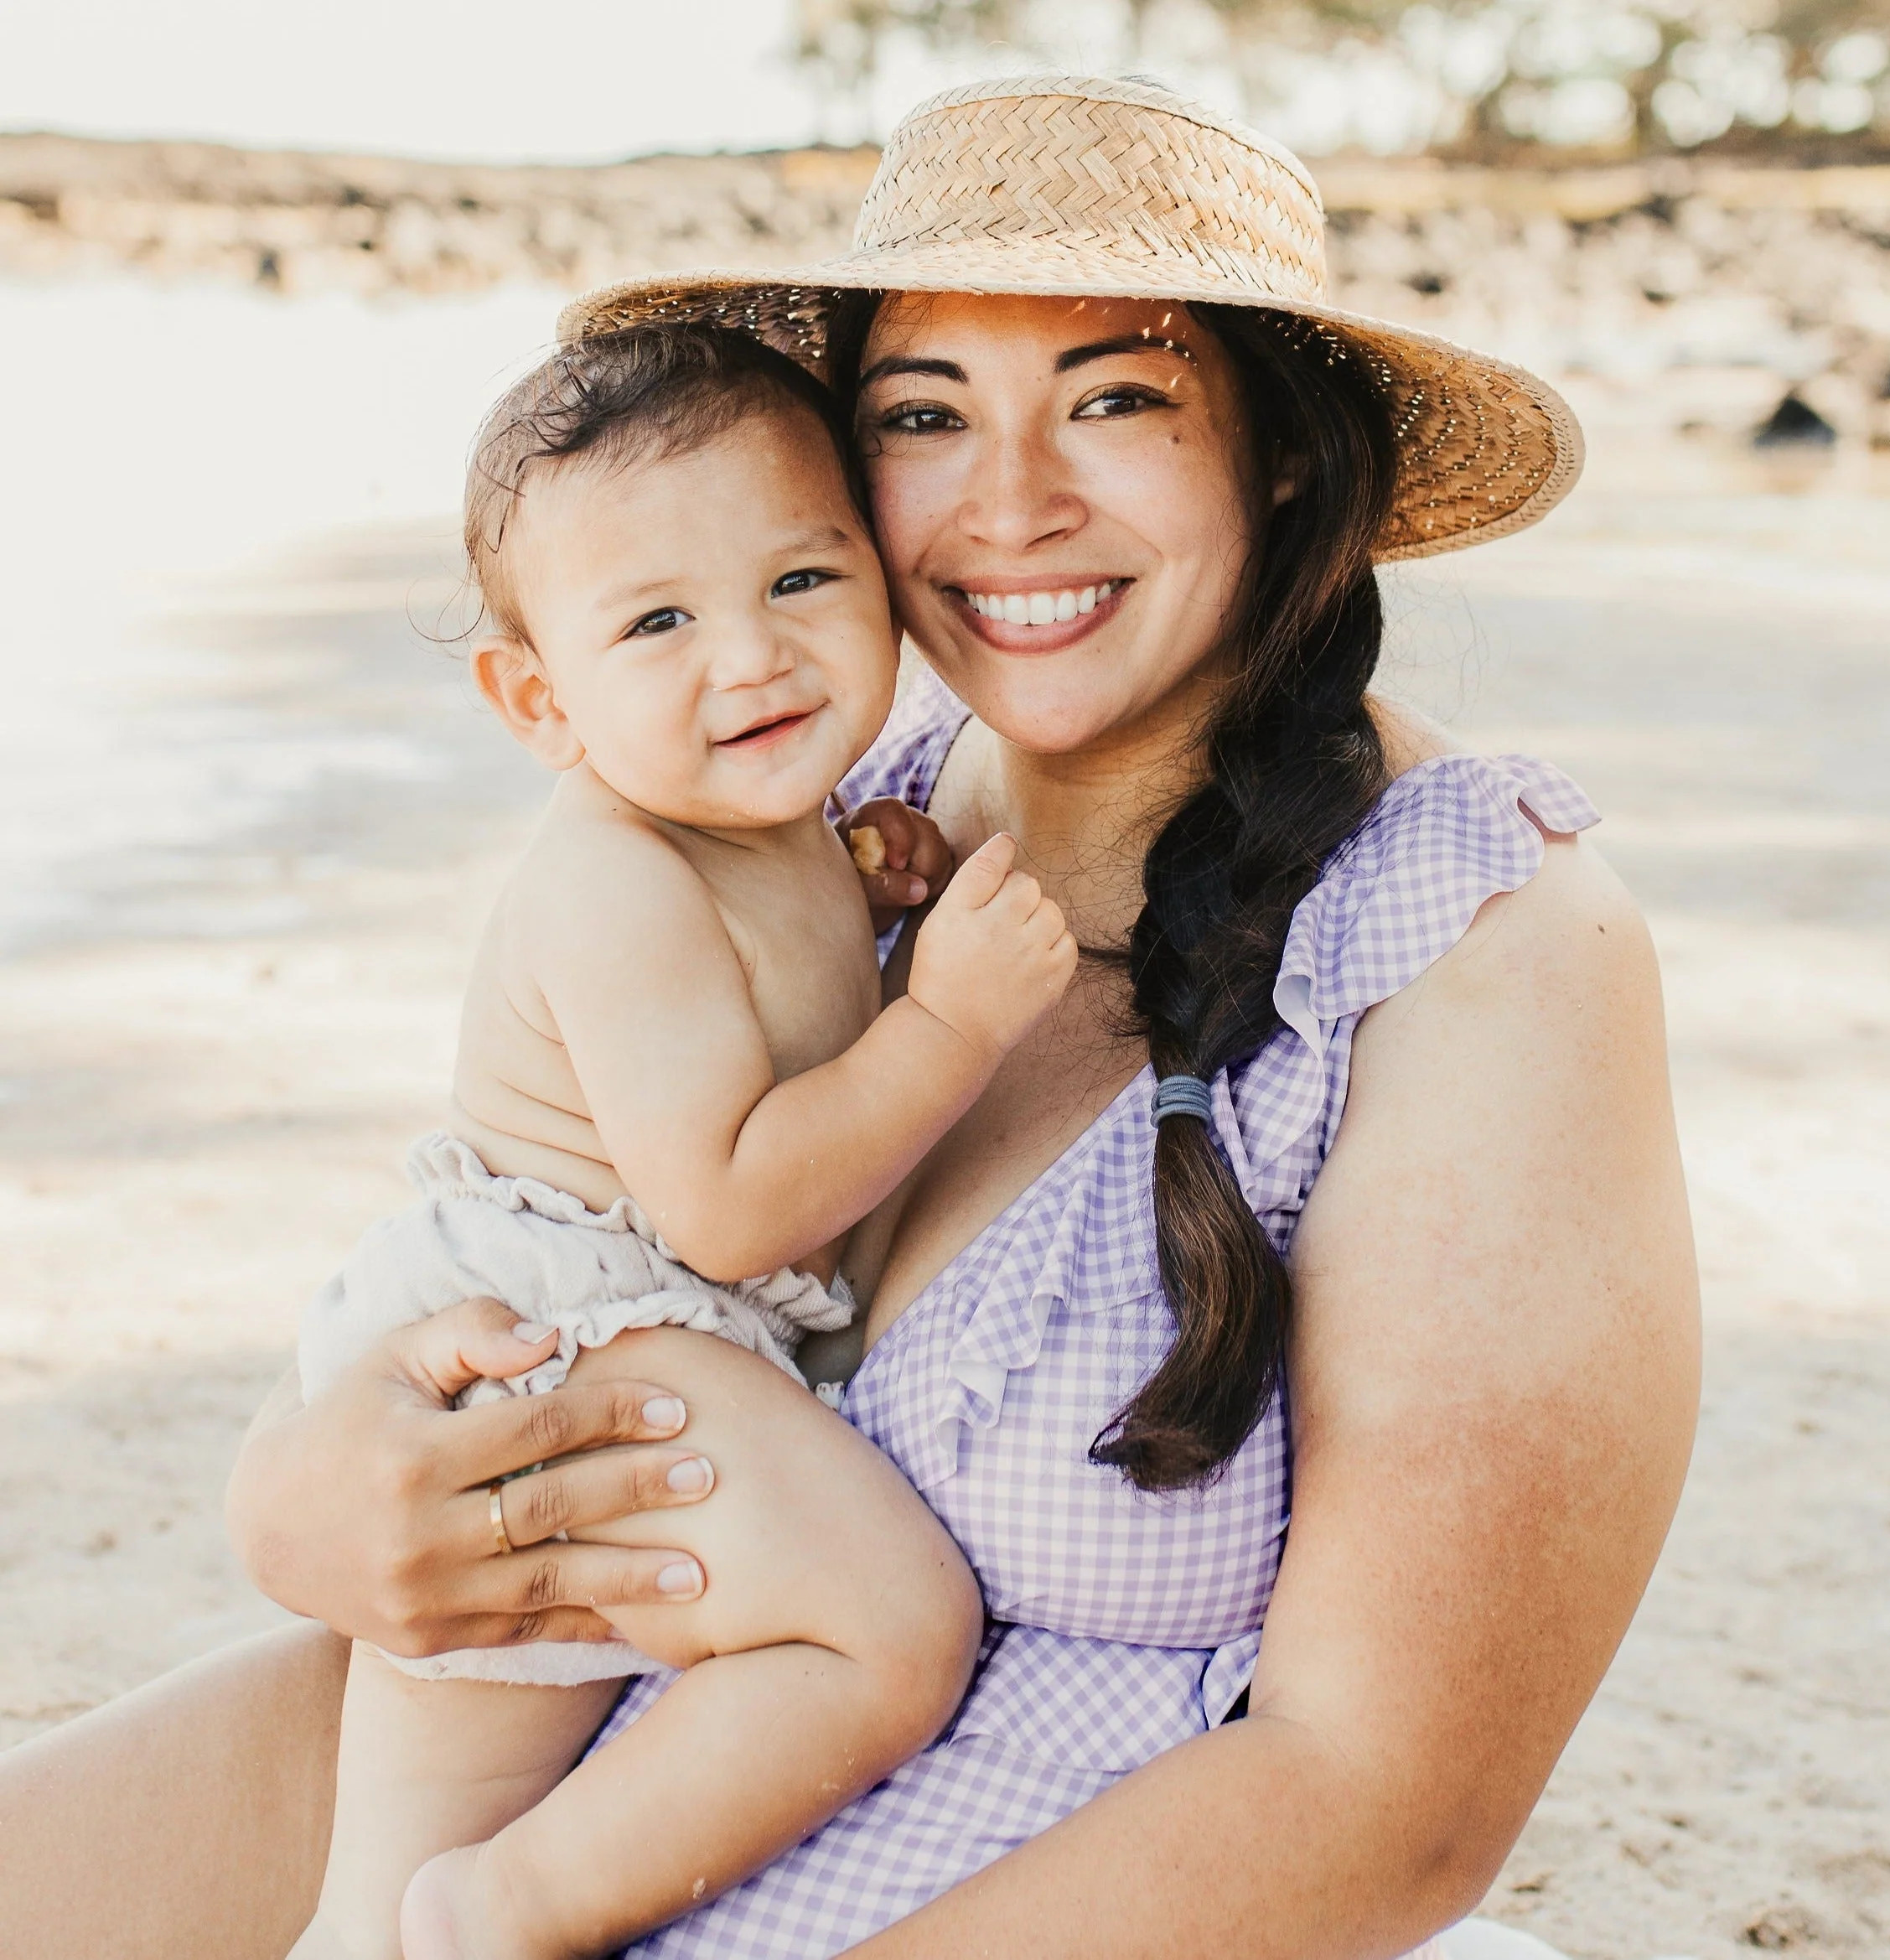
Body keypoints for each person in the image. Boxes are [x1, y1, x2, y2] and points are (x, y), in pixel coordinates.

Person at [0, 75, 1700, 1960]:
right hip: (516, 1766)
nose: (1008, 501)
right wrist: (305, 1502)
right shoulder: (817, 797)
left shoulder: (1472, 938)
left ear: (1282, 452)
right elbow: (540, 1226)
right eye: (920, 415)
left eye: (1116, 397)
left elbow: (1382, 1809)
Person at [289, 322, 1075, 1960]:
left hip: (620, 1316)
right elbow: (725, 1201)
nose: (753, 658)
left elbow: (767, 1004)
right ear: (535, 697)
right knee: (891, 1629)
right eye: (657, 620)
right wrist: (947, 1020)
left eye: (801, 580)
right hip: (572, 1319)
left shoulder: (760, 819)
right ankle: (501, 1913)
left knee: (439, 1805)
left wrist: (858, 890)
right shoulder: (613, 878)